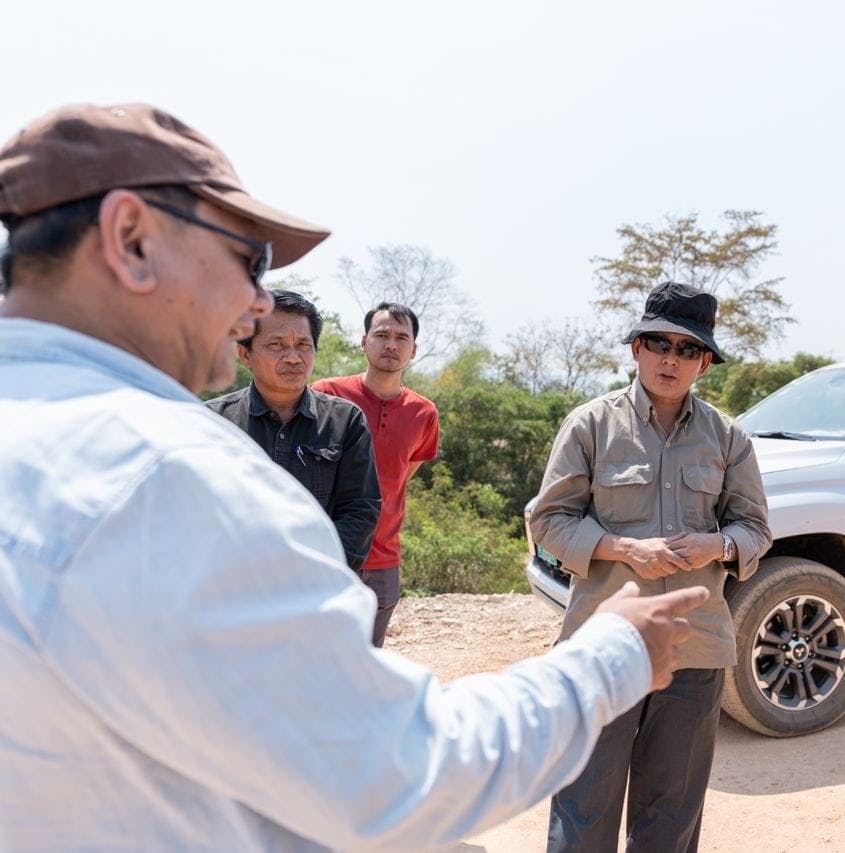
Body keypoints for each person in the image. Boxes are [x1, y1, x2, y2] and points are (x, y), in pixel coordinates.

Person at [0, 102, 709, 850]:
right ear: (131, 239)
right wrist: (612, 655)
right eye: (249, 259)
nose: (259, 302)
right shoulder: (166, 473)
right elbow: (396, 775)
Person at [529, 281, 772, 853]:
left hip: (695, 648)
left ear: (704, 363)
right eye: (659, 343)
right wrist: (623, 548)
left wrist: (718, 545)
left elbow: (755, 529)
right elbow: (549, 522)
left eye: (688, 349)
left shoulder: (728, 437)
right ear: (636, 348)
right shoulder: (591, 425)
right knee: (583, 810)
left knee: (671, 816)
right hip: (603, 644)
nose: (671, 358)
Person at [206, 290, 381, 571]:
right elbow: (198, 511)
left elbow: (359, 510)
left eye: (303, 345)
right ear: (245, 354)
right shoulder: (213, 422)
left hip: (318, 582)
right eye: (276, 345)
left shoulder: (345, 420)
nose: (293, 358)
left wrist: (311, 573)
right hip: (232, 583)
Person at [313, 303, 437, 646]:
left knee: (368, 661)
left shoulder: (424, 413)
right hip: (327, 551)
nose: (391, 344)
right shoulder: (326, 394)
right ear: (363, 341)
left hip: (384, 559)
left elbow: (400, 477)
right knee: (313, 656)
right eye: (382, 335)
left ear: (414, 349)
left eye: (401, 338)